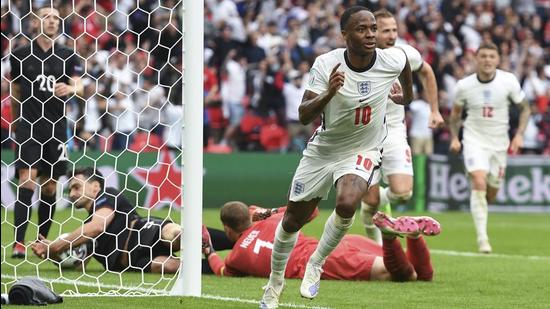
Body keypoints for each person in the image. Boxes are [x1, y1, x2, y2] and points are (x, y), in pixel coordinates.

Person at [260, 6, 414, 308]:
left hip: (364, 148)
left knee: (346, 203)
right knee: (293, 221)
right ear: (345, 34)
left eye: (372, 28)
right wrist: (328, 94)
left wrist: (405, 97)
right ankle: (274, 282)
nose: (370, 34)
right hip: (324, 151)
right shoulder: (326, 64)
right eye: (361, 29)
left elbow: (406, 65)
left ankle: (316, 263)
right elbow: (304, 115)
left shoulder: (392, 58)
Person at [30, 167, 233, 273]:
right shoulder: (85, 229)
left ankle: (236, 240)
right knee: (169, 267)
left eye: (76, 186)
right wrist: (53, 254)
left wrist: (55, 246)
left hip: (144, 232)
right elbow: (78, 262)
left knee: (176, 235)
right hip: (133, 262)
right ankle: (229, 268)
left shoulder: (107, 195)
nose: (72, 193)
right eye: (70, 189)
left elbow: (98, 226)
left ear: (95, 187)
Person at [359, 9, 444, 244]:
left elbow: (426, 71)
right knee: (371, 201)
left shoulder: (405, 53)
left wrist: (435, 110)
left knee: (403, 192)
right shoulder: (358, 58)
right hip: (365, 136)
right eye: (386, 31)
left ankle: (381, 200)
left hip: (395, 131)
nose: (392, 35)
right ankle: (377, 248)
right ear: (373, 33)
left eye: (394, 30)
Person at [203, 202, 440, 284]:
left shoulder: (236, 257)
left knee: (403, 275)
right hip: (337, 243)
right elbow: (312, 210)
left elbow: (222, 270)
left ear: (227, 229)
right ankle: (415, 237)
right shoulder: (272, 220)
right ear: (249, 215)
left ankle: (389, 236)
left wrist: (208, 248)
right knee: (423, 276)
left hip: (324, 261)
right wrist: (268, 211)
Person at [9, 6, 84, 258]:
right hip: (29, 126)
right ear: (35, 22)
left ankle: (42, 241)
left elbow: (81, 86)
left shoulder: (67, 55)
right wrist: (16, 120)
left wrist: (71, 90)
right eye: (47, 17)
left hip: (56, 128)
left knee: (50, 187)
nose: (52, 22)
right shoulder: (20, 55)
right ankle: (18, 242)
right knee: (27, 178)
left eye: (56, 18)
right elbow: (16, 90)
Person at [449, 42, 531, 253]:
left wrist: (519, 135)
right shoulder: (464, 86)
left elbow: (525, 109)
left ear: (497, 60)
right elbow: (455, 116)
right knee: (478, 180)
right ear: (477, 59)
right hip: (474, 140)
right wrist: (454, 138)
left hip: (499, 145)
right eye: (483, 56)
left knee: (490, 194)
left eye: (491, 56)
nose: (487, 60)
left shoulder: (508, 81)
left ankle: (481, 200)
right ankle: (483, 239)